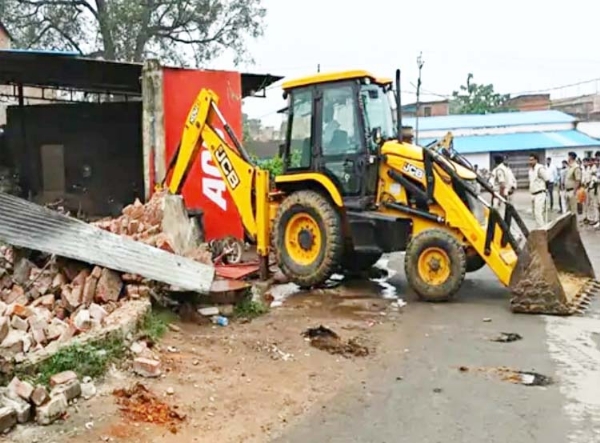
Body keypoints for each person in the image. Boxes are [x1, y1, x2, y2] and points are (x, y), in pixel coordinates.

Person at [528, 153, 549, 228]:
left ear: (536, 160)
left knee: (538, 213)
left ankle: (542, 229)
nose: (530, 162)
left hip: (540, 193)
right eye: (529, 160)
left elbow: (547, 179)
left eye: (532, 160)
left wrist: (546, 191)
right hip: (533, 194)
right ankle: (538, 227)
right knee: (534, 214)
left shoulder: (540, 168)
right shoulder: (530, 170)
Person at [564, 152, 582, 220]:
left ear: (571, 157)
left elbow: (578, 180)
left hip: (572, 191)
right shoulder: (569, 167)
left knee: (573, 211)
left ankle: (574, 228)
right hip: (567, 191)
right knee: (568, 211)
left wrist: (574, 191)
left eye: (568, 156)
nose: (567, 158)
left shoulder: (576, 167)